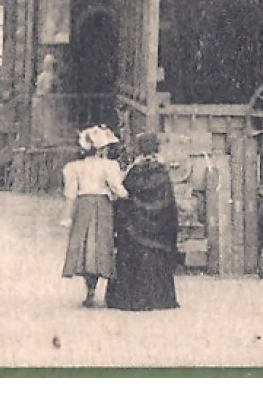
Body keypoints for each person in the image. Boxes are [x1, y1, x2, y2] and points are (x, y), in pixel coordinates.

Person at [105, 132, 180, 311]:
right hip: (158, 231)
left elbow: (125, 196)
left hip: (134, 227)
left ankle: (127, 299)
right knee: (156, 256)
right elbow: (169, 203)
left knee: (131, 256)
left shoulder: (134, 172)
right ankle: (159, 299)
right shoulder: (162, 173)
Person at [60, 125, 129, 307]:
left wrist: (67, 215)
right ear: (103, 149)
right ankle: (94, 286)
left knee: (84, 245)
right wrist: (128, 196)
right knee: (100, 244)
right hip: (101, 205)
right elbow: (116, 187)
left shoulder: (75, 167)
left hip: (83, 205)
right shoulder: (109, 166)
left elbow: (70, 193)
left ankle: (89, 289)